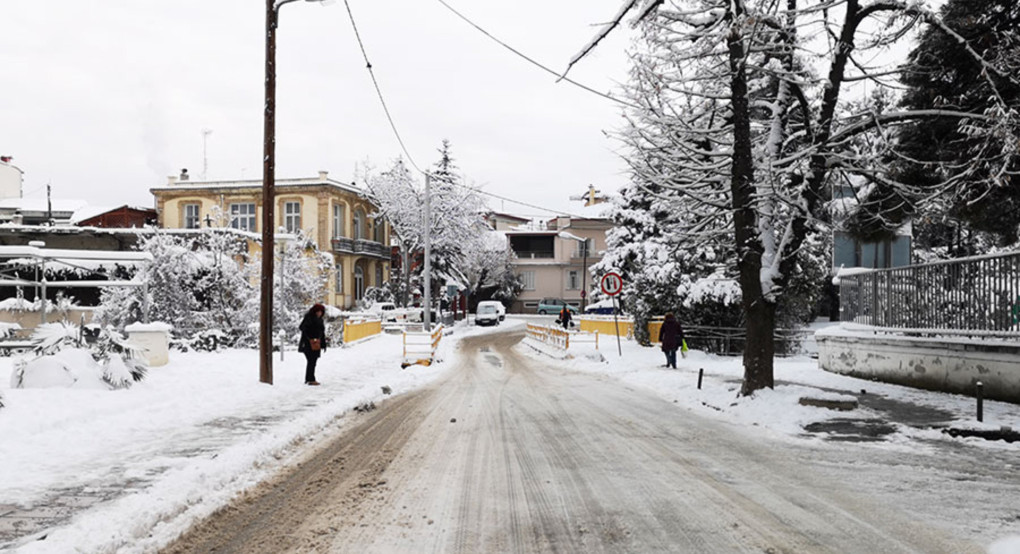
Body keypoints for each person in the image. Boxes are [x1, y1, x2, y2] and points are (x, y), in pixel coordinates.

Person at [298, 303, 327, 386]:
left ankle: (309, 378)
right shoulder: (309, 318)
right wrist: (311, 338)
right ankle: (310, 379)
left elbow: (322, 333)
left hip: (316, 344)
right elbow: (303, 328)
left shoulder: (320, 320)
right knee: (311, 361)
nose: (319, 313)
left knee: (312, 361)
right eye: (318, 311)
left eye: (321, 312)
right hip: (308, 344)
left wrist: (323, 344)